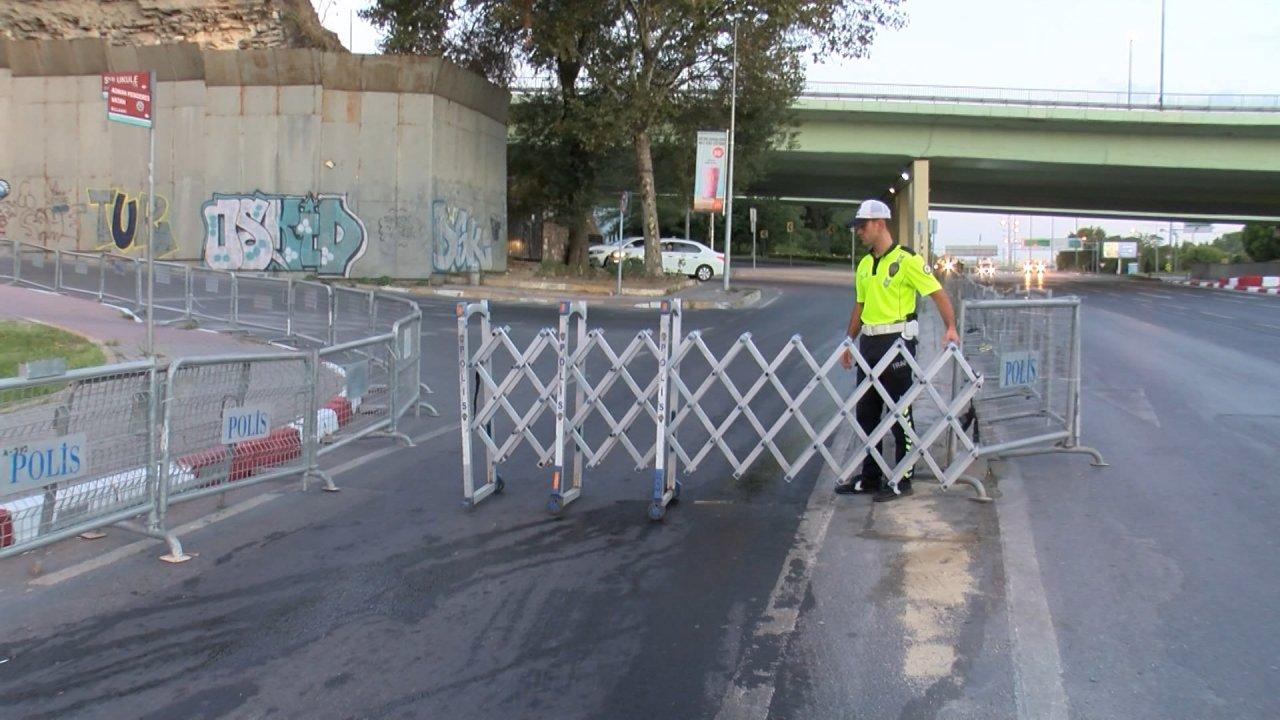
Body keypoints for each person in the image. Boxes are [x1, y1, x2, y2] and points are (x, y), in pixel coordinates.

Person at [835, 199, 959, 502]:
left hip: (898, 344)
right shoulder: (865, 264)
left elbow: (937, 293)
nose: (859, 233)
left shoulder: (907, 261)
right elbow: (860, 305)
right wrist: (849, 341)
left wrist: (950, 327)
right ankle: (870, 477)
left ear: (879, 224)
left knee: (899, 411)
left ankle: (903, 477)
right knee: (867, 412)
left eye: (862, 227)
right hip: (870, 343)